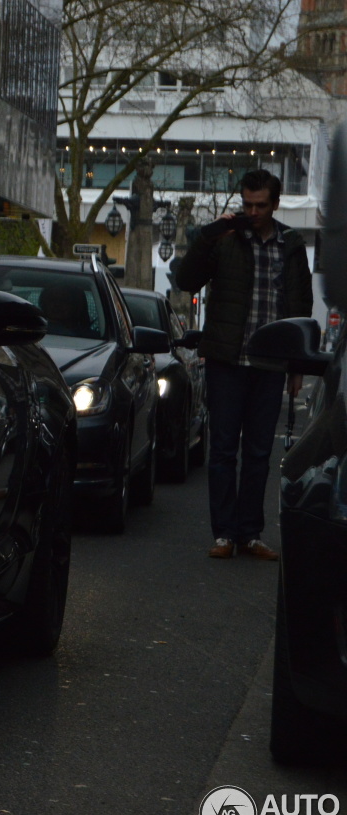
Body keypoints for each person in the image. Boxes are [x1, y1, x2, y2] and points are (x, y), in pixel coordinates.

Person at [177, 169, 313, 560]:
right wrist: (207, 236)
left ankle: (250, 533)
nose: (252, 212)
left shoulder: (290, 244)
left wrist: (297, 366)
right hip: (227, 360)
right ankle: (224, 534)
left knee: (258, 453)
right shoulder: (225, 239)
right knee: (222, 450)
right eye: (247, 204)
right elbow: (187, 281)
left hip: (269, 364)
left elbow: (299, 306)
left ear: (275, 203)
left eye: (260, 205)